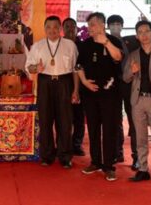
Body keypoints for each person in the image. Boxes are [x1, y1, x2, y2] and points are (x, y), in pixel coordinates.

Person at [26, 16, 79, 168]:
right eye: (48, 27)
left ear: (60, 29)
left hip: (65, 82)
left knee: (65, 121)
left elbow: (76, 70)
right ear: (44, 29)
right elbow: (29, 67)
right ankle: (47, 155)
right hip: (45, 82)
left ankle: (65, 156)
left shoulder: (70, 45)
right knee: (45, 120)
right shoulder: (37, 46)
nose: (52, 30)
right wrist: (36, 68)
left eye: (55, 27)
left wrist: (76, 90)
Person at [122, 20, 151, 188]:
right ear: (136, 36)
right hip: (137, 100)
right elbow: (125, 77)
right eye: (140, 32)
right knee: (140, 137)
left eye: (146, 31)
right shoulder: (133, 55)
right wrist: (132, 71)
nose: (144, 35)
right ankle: (143, 169)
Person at [77, 12, 123, 181]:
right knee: (93, 128)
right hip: (90, 93)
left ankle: (109, 165)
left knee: (110, 129)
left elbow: (118, 57)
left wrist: (106, 43)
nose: (90, 28)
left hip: (110, 93)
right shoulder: (85, 44)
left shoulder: (113, 41)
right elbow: (78, 66)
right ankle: (95, 161)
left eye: (93, 24)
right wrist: (84, 82)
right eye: (89, 25)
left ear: (103, 25)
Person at [107, 14, 135, 168]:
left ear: (122, 26)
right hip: (113, 85)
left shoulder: (130, 41)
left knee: (133, 119)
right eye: (112, 24)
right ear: (108, 27)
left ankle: (136, 155)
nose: (115, 26)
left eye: (118, 24)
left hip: (129, 84)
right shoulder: (106, 42)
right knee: (115, 119)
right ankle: (117, 152)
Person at [63, 17, 86, 156]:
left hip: (80, 86)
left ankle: (77, 144)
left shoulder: (83, 46)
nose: (70, 29)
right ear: (63, 29)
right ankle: (64, 144)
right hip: (63, 85)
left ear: (77, 29)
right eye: (67, 26)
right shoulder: (59, 45)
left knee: (78, 116)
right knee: (64, 116)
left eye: (73, 26)